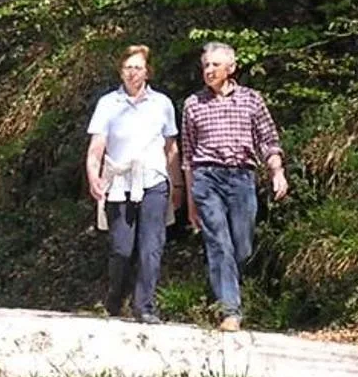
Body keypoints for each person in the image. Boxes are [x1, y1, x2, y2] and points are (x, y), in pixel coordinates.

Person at [182, 41, 287, 331]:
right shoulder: (192, 104)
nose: (209, 70)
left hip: (242, 178)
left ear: (231, 68)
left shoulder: (252, 100)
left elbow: (269, 140)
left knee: (241, 247)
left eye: (215, 64)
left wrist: (277, 172)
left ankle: (221, 289)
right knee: (219, 243)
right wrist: (191, 201)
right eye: (206, 65)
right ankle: (230, 311)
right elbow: (188, 157)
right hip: (207, 178)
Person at [84, 44, 181, 323]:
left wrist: (176, 186)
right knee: (121, 249)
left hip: (153, 181)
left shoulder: (162, 103)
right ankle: (116, 296)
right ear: (120, 71)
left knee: (151, 246)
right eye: (128, 68)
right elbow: (96, 147)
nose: (132, 73)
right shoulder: (108, 104)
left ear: (148, 72)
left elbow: (171, 148)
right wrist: (94, 175)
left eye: (138, 68)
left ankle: (145, 306)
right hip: (119, 182)